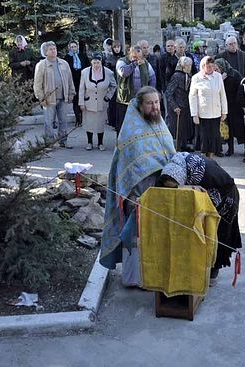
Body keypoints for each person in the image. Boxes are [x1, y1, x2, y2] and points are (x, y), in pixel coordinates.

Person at [99, 86, 176, 286]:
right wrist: (132, 197)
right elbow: (127, 167)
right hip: (137, 196)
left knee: (157, 239)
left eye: (157, 102)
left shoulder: (160, 125)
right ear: (139, 106)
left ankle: (154, 276)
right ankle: (137, 280)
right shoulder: (130, 133)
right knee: (137, 240)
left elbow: (170, 154)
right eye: (150, 103)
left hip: (160, 194)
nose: (155, 107)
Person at [158, 152, 242, 282]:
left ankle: (213, 269)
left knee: (214, 232)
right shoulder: (179, 165)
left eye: (176, 187)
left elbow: (202, 198)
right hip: (211, 190)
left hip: (225, 195)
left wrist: (187, 189)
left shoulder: (198, 174)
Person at [33, 41, 76, 148]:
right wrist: (41, 98)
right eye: (51, 49)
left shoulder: (64, 63)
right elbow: (37, 84)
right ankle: (50, 142)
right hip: (49, 99)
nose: (53, 51)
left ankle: (63, 141)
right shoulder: (41, 65)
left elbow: (70, 79)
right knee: (49, 122)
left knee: (63, 121)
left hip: (63, 97)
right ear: (45, 52)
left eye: (54, 48)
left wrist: (71, 93)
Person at [189, 56, 228, 159]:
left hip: (215, 112)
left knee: (214, 136)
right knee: (204, 137)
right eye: (208, 66)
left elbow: (222, 94)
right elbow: (192, 97)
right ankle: (203, 158)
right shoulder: (196, 78)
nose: (210, 68)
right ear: (203, 66)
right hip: (203, 113)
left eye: (212, 66)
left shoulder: (218, 76)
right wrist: (194, 114)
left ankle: (210, 158)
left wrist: (224, 111)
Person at [78, 52, 116, 151]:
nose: (96, 65)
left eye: (98, 62)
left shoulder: (108, 72)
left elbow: (113, 86)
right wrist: (81, 102)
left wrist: (108, 96)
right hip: (89, 101)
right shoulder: (85, 72)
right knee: (89, 123)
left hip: (102, 101)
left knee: (100, 124)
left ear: (101, 62)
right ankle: (89, 142)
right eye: (94, 62)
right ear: (91, 62)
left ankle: (100, 143)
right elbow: (81, 88)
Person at [115, 45, 156, 133]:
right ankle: (122, 146)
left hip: (141, 100)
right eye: (134, 56)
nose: (137, 58)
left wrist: (151, 92)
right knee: (123, 126)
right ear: (130, 54)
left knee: (139, 125)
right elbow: (123, 73)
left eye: (139, 56)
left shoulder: (145, 63)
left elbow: (152, 77)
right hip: (125, 100)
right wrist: (134, 64)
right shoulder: (121, 61)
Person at [214, 58, 243, 156]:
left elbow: (240, 89)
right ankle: (229, 149)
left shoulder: (234, 74)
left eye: (217, 69)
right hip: (223, 105)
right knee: (226, 128)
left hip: (235, 105)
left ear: (222, 67)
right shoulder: (217, 77)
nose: (216, 71)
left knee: (237, 127)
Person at [165, 56, 194, 151]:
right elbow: (169, 92)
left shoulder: (189, 75)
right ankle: (175, 148)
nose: (189, 67)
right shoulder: (176, 76)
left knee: (184, 128)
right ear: (182, 66)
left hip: (186, 106)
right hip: (177, 107)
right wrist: (174, 106)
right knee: (176, 129)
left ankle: (184, 146)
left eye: (190, 65)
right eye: (187, 65)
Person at [64, 40, 90, 127]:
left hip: (82, 80)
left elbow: (88, 67)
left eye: (75, 46)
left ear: (77, 47)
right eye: (72, 47)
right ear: (69, 48)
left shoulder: (82, 56)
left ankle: (83, 118)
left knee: (82, 99)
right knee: (75, 100)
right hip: (72, 81)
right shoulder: (67, 58)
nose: (73, 48)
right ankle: (77, 119)